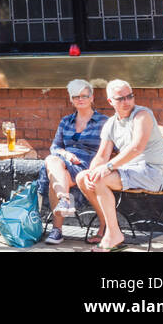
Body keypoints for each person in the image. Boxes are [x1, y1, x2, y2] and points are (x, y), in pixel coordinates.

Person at [76, 79, 163, 252]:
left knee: (100, 179)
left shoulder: (142, 115)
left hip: (151, 173)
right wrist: (91, 172)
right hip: (128, 171)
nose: (126, 102)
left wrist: (108, 167)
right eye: (121, 99)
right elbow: (102, 155)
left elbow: (136, 148)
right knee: (83, 178)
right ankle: (109, 227)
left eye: (129, 97)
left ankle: (113, 234)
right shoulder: (111, 123)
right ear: (111, 101)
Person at [41, 79, 108, 245]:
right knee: (53, 161)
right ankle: (64, 199)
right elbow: (55, 147)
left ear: (92, 98)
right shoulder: (66, 121)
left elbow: (109, 148)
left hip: (88, 166)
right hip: (65, 164)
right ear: (71, 100)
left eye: (84, 95)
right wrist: (66, 153)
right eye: (76, 96)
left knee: (55, 178)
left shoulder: (103, 121)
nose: (80, 99)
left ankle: (56, 230)